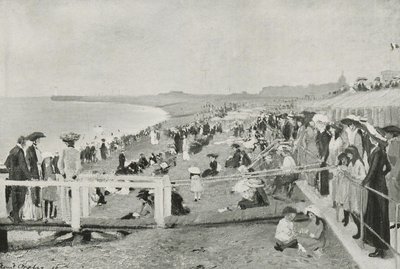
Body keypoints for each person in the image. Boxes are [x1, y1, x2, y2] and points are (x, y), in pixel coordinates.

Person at [362, 130, 391, 258]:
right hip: (378, 185)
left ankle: (380, 248)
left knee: (379, 217)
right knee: (376, 216)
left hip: (378, 188)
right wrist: (381, 176)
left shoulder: (378, 152)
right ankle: (379, 248)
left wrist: (364, 182)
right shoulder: (378, 150)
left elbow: (373, 170)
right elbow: (388, 168)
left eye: (372, 137)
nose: (370, 139)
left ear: (376, 139)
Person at [4, 136, 32, 223]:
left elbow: (6, 164)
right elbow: (23, 165)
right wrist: (29, 177)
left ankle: (14, 216)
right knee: (21, 198)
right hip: (20, 178)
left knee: (15, 198)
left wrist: (12, 172)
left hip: (13, 178)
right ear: (22, 142)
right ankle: (15, 217)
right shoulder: (19, 151)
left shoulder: (12, 150)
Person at [58, 132, 82, 223]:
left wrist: (62, 173)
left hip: (66, 175)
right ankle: (73, 217)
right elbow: (79, 167)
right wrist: (75, 175)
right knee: (74, 197)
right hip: (74, 176)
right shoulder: (77, 152)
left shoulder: (64, 151)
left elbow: (59, 164)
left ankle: (66, 218)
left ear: (67, 143)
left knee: (64, 197)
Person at [345, 146, 367, 240]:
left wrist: (353, 176)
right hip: (352, 188)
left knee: (357, 211)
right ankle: (359, 230)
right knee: (352, 210)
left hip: (357, 189)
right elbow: (349, 171)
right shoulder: (351, 162)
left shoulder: (359, 163)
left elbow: (363, 176)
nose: (347, 155)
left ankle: (361, 231)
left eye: (349, 153)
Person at [25, 132, 46, 221]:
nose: (39, 140)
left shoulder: (35, 149)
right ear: (35, 140)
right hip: (33, 173)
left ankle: (36, 215)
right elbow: (28, 163)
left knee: (37, 193)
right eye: (38, 139)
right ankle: (31, 215)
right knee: (33, 194)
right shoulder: (30, 150)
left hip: (37, 172)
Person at [333, 153, 351, 226]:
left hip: (346, 186)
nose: (343, 161)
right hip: (340, 186)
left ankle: (346, 219)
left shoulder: (349, 167)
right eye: (342, 159)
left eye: (344, 159)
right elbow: (335, 176)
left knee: (345, 203)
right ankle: (338, 217)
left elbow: (350, 176)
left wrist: (345, 173)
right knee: (339, 202)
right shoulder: (339, 167)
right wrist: (338, 173)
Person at [41, 152, 58, 221]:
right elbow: (49, 176)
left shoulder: (49, 167)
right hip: (48, 186)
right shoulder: (48, 167)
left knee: (49, 201)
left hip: (49, 186)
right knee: (47, 201)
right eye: (49, 158)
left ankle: (49, 215)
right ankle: (47, 216)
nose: (50, 160)